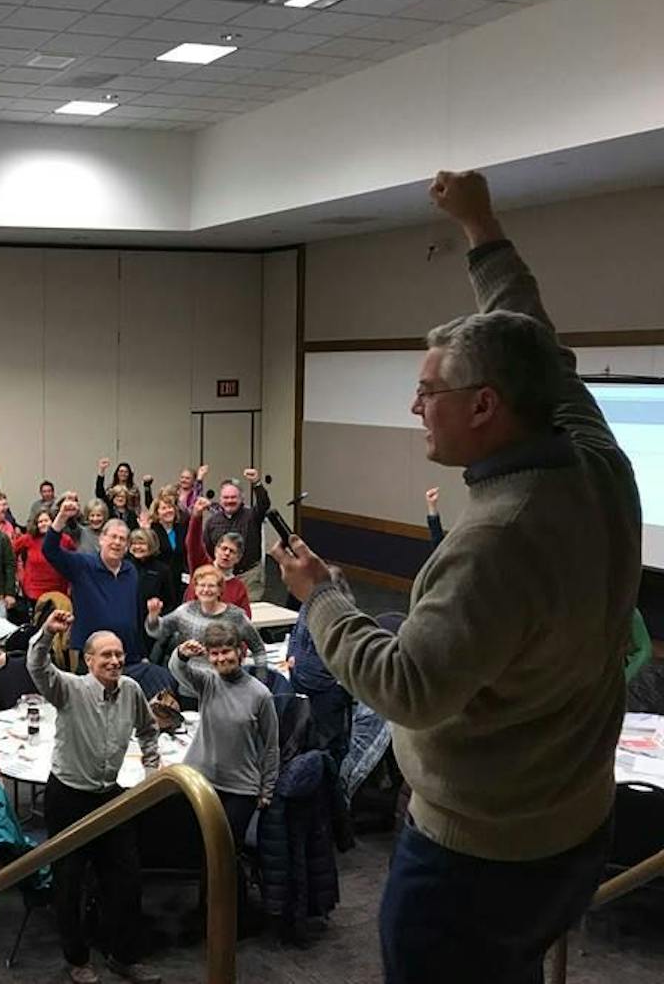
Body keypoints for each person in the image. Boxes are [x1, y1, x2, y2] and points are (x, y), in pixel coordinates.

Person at [270, 170, 642, 984]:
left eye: (426, 391)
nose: (413, 407)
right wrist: (481, 228)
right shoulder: (597, 458)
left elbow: (406, 685)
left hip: (480, 857)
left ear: (485, 405)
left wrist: (322, 596)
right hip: (575, 824)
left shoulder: (498, 542)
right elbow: (540, 340)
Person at [27, 610, 162, 984]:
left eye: (118, 654)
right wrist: (45, 634)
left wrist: (152, 772)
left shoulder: (132, 690)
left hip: (108, 796)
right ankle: (77, 959)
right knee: (68, 882)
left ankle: (123, 955)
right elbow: (38, 667)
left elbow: (149, 731)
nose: (115, 661)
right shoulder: (69, 688)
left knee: (127, 880)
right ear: (88, 661)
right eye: (106, 655)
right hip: (68, 797)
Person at [168, 623, 279, 853]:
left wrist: (267, 790)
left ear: (240, 651)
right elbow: (177, 670)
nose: (221, 658)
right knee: (200, 853)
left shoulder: (260, 694)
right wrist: (181, 653)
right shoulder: (208, 682)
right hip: (202, 781)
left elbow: (271, 746)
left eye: (226, 651)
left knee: (226, 854)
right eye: (215, 653)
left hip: (240, 788)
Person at [42, 497, 142, 670]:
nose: (117, 542)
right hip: (91, 656)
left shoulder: (131, 571)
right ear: (101, 539)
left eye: (122, 539)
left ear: (127, 546)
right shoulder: (83, 565)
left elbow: (135, 616)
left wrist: (141, 654)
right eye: (113, 537)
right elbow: (50, 550)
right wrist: (62, 518)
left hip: (125, 656)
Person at [286, 567, 355, 763]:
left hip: (326, 689)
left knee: (326, 743)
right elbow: (296, 633)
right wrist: (292, 656)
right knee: (302, 734)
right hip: (300, 680)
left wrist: (331, 679)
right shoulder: (308, 605)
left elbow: (341, 652)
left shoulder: (343, 615)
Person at [145, 566, 265, 670]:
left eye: (211, 586)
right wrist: (153, 616)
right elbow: (157, 632)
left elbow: (258, 648)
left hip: (225, 684)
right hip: (189, 684)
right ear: (195, 589)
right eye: (202, 585)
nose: (206, 590)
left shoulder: (236, 616)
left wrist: (262, 678)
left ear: (220, 590)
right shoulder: (185, 611)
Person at [202, 470, 271, 601]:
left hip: (249, 576)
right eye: (226, 498)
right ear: (220, 500)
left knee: (250, 615)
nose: (229, 501)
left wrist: (256, 483)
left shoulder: (252, 516)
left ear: (241, 499)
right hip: (221, 577)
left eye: (233, 497)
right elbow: (207, 549)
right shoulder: (212, 522)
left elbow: (264, 504)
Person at [187, 496, 250, 616]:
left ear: (238, 558)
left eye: (232, 551)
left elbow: (245, 620)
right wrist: (196, 516)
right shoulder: (202, 567)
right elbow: (193, 544)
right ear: (216, 550)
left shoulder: (238, 588)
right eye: (224, 549)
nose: (226, 554)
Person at [13, 511, 70, 604]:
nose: (43, 524)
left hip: (59, 591)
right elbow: (11, 552)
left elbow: (72, 561)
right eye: (40, 522)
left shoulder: (65, 540)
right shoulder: (28, 539)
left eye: (46, 520)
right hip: (34, 591)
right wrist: (19, 574)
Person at [127, 528, 171, 631]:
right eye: (134, 543)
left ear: (151, 545)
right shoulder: (124, 566)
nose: (137, 547)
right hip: (128, 623)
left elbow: (170, 602)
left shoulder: (162, 570)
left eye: (142, 543)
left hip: (151, 626)